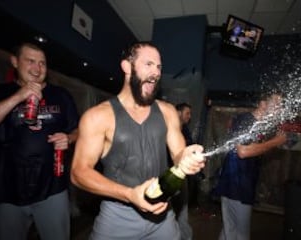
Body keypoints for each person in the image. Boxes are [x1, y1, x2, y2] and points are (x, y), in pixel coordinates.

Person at [70, 41, 205, 240]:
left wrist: (185, 158)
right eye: (148, 64)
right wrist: (130, 194)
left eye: (159, 67)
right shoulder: (97, 116)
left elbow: (178, 156)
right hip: (118, 216)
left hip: (162, 214)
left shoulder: (168, 111)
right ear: (127, 67)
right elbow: (78, 172)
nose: (156, 72)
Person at [0, 42, 79, 240]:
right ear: (15, 62)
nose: (37, 68)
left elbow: (79, 129)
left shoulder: (61, 95)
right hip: (6, 191)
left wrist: (69, 138)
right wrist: (17, 97)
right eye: (31, 61)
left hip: (53, 189)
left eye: (42, 63)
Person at [214, 92, 286, 240]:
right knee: (240, 233)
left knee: (230, 229)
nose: (279, 109)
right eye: (276, 104)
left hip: (236, 185)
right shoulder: (247, 121)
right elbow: (243, 151)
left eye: (281, 105)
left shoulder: (256, 125)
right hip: (237, 186)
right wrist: (275, 142)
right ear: (262, 104)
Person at [172, 102, 193, 240]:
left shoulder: (185, 130)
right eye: (187, 113)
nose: (190, 117)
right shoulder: (170, 130)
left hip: (182, 176)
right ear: (178, 113)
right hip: (170, 177)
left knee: (182, 213)